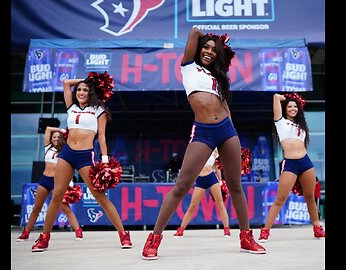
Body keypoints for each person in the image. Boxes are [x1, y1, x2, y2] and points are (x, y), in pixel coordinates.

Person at [141, 26, 265, 260]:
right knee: (181, 186)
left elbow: (225, 106)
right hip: (204, 132)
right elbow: (194, 31)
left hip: (227, 131)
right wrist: (215, 39)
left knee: (236, 185)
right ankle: (153, 241)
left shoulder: (217, 78)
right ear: (198, 50)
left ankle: (246, 237)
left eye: (213, 50)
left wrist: (233, 132)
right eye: (205, 48)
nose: (209, 52)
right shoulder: (188, 66)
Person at [31, 71, 132, 252]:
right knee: (57, 196)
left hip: (86, 156)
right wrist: (86, 80)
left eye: (85, 90)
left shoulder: (99, 111)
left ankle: (123, 234)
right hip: (67, 154)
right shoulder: (71, 107)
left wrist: (105, 161)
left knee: (100, 198)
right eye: (79, 90)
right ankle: (44, 238)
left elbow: (101, 137)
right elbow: (65, 83)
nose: (81, 92)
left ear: (91, 92)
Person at [258, 93, 325, 242]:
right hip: (290, 163)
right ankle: (265, 231)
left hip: (306, 163)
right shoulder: (280, 121)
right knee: (280, 198)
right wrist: (289, 98)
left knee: (310, 197)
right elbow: (276, 97)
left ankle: (317, 228)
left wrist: (293, 101)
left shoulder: (301, 125)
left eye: (295, 106)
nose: (293, 108)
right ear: (285, 108)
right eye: (290, 106)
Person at [17, 127, 83, 241]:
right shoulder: (48, 147)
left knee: (65, 208)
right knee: (36, 207)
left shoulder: (65, 151)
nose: (56, 139)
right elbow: (47, 129)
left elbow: (70, 168)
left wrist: (70, 182)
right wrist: (62, 130)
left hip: (56, 181)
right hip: (44, 179)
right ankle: (26, 232)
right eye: (54, 137)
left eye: (58, 137)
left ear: (62, 138)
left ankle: (78, 231)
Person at [172, 148, 231, 238]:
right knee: (192, 206)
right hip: (200, 179)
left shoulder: (215, 151)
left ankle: (226, 229)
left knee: (220, 204)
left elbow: (217, 168)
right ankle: (181, 230)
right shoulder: (198, 148)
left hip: (211, 177)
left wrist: (221, 181)